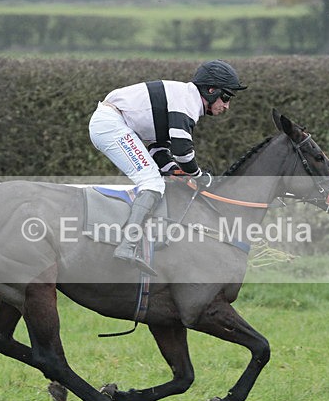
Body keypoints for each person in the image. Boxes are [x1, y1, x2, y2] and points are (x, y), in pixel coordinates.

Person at [89, 59, 247, 275]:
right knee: (152, 182)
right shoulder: (188, 101)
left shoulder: (182, 99)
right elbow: (182, 150)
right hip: (111, 124)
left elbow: (158, 150)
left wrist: (175, 171)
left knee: (156, 179)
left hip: (112, 123)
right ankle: (127, 245)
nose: (227, 106)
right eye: (226, 97)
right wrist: (198, 176)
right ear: (211, 91)